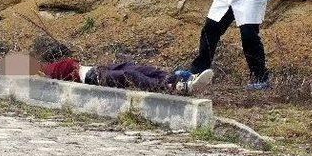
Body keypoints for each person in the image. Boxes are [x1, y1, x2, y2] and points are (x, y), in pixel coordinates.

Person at [40, 58, 214, 95]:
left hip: (98, 68)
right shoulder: (47, 72)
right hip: (93, 78)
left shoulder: (50, 66)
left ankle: (181, 80)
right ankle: (170, 87)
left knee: (138, 67)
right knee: (129, 74)